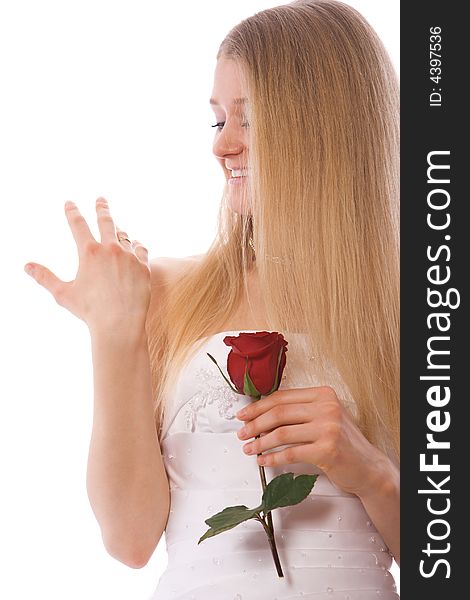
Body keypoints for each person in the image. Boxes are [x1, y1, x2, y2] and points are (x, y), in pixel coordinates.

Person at [24, 0, 399, 597]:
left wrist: (374, 474)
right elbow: (129, 539)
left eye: (249, 120)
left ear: (327, 129)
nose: (222, 146)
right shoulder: (172, 293)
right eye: (218, 120)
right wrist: (114, 336)